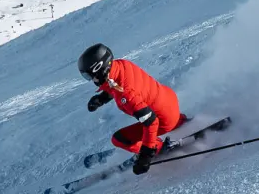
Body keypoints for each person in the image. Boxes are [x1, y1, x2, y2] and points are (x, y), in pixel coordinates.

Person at [78, 43, 187, 175]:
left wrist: (146, 156)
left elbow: (151, 121)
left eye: (90, 76)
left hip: (164, 119)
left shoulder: (125, 96)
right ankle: (180, 121)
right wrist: (102, 98)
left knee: (118, 139)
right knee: (152, 110)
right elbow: (121, 84)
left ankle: (161, 147)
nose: (91, 80)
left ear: (100, 70)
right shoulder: (120, 65)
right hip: (169, 100)